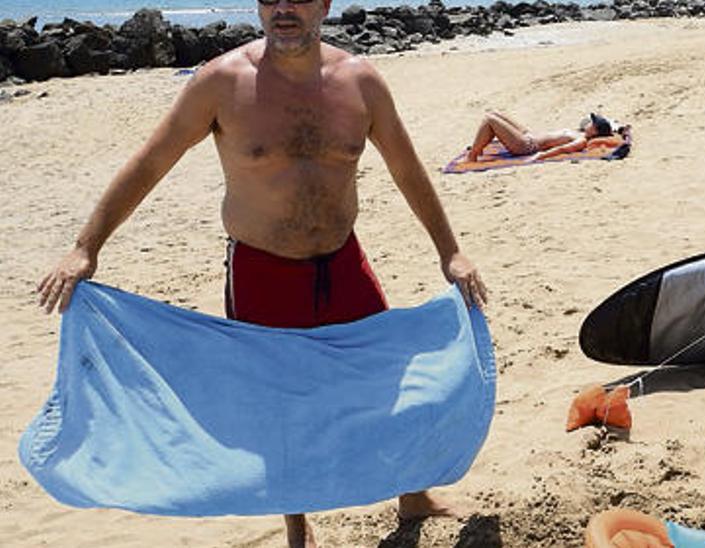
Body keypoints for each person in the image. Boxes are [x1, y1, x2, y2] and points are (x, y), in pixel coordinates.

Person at [35, 0, 488, 546]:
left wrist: (450, 252)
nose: (283, 9)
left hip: (343, 261)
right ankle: (298, 529)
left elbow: (405, 167)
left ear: (323, 6)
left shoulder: (361, 82)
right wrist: (87, 246)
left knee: (388, 379)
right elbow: (152, 161)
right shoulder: (221, 83)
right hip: (261, 272)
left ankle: (412, 495)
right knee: (277, 406)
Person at [465, 110, 617, 162]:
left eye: (593, 123)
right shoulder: (581, 132)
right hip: (528, 136)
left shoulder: (581, 140)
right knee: (494, 113)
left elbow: (563, 150)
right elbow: (613, 129)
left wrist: (539, 157)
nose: (589, 123)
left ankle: (473, 155)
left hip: (525, 146)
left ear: (595, 131)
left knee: (489, 120)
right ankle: (480, 145)